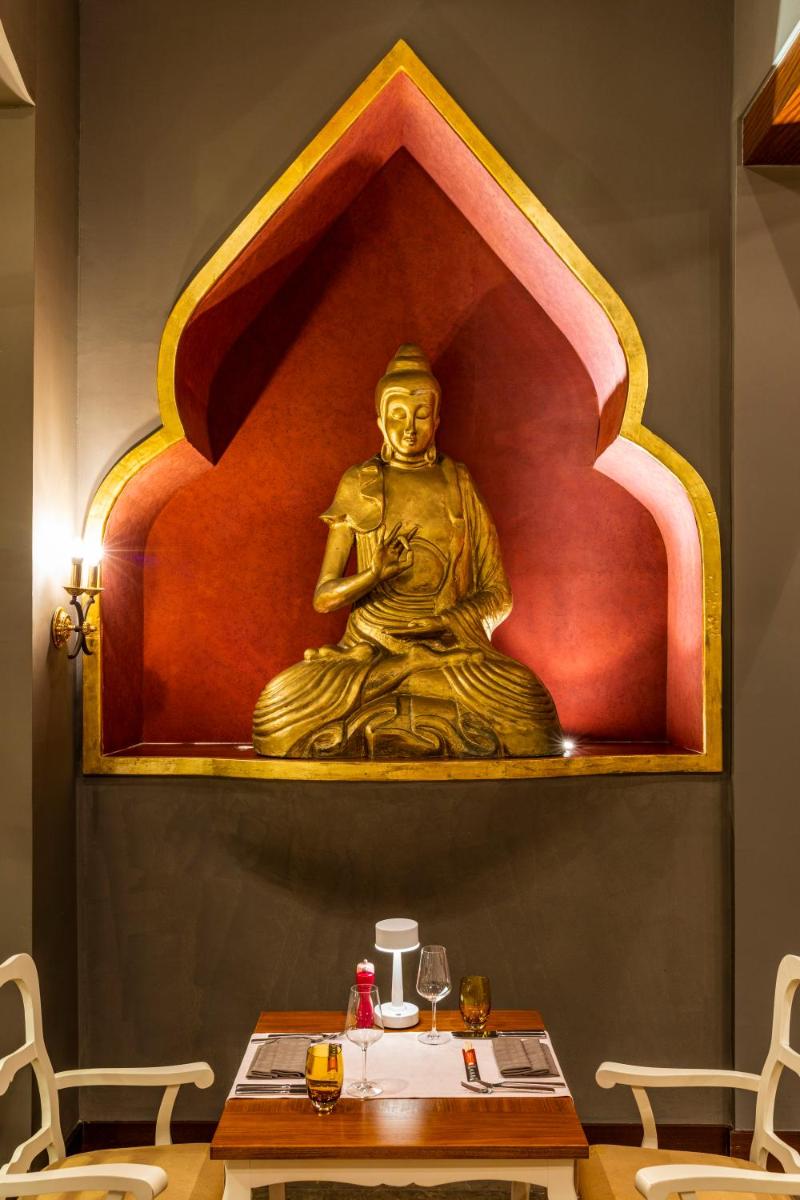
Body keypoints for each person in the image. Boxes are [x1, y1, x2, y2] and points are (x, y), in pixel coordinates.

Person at [252, 344, 562, 758]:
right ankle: (411, 671)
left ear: (436, 420)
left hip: (448, 650)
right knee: (276, 704)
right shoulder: (359, 482)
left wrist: (445, 622)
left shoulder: (458, 483)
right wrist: (374, 574)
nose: (409, 428)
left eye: (420, 415)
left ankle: (403, 683)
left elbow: (498, 595)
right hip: (368, 649)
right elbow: (324, 598)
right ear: (381, 422)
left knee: (529, 703)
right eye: (397, 415)